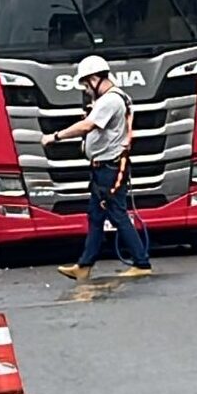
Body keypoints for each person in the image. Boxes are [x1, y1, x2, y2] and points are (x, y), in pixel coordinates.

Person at [41, 55, 152, 280]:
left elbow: (88, 126)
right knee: (95, 215)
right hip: (105, 168)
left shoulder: (110, 100)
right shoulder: (119, 97)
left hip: (109, 170)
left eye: (85, 84)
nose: (86, 90)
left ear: (93, 78)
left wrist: (55, 136)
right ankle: (85, 265)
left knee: (117, 214)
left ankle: (141, 262)